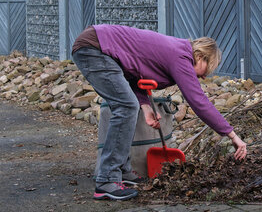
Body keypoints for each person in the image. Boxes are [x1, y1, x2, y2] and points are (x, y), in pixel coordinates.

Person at [71, 24, 247, 201]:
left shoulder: (177, 51)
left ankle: (121, 172)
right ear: (200, 56)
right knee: (126, 107)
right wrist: (231, 135)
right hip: (94, 48)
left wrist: (146, 107)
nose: (204, 77)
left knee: (129, 106)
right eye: (206, 70)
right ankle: (107, 180)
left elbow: (132, 73)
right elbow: (199, 102)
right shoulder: (181, 57)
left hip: (101, 48)